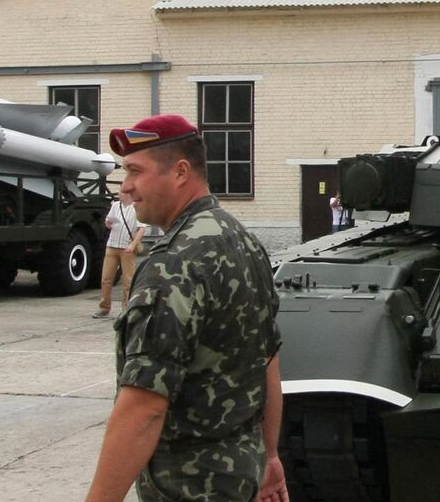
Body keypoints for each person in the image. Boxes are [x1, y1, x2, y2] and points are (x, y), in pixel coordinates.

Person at [83, 114, 287, 502]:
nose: (126, 187)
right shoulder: (243, 241)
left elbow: (144, 408)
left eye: (135, 171)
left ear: (180, 172)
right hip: (240, 474)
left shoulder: (172, 266)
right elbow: (269, 361)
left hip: (188, 486)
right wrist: (271, 456)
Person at [93, 195, 143, 318]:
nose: (120, 195)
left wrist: (133, 245)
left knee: (128, 281)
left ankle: (126, 309)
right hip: (112, 245)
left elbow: (141, 228)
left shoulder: (136, 207)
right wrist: (108, 223)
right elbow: (108, 222)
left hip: (127, 248)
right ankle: (104, 307)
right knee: (106, 279)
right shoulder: (116, 205)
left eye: (122, 192)